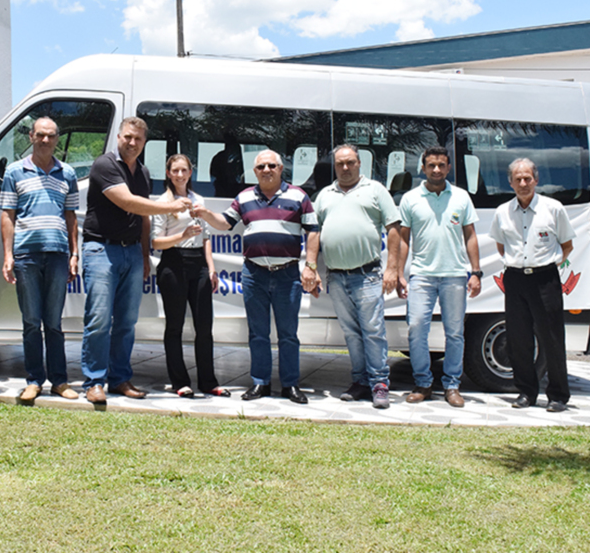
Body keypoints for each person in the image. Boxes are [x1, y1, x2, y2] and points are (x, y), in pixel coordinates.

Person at [79, 117, 191, 404]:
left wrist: (144, 255)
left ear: (144, 142)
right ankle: (94, 381)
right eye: (128, 137)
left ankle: (119, 379)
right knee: (99, 320)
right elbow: (127, 202)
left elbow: (143, 217)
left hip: (131, 253)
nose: (132, 143)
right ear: (119, 136)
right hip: (101, 250)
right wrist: (169, 205)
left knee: (127, 322)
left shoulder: (142, 172)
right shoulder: (104, 165)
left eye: (138, 139)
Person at [195, 150, 319, 405]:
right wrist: (206, 214)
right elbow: (225, 223)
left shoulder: (298, 196)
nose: (266, 170)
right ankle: (260, 382)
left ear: (281, 167)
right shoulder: (244, 197)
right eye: (261, 166)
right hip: (254, 274)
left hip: (287, 275)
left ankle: (290, 385)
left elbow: (313, 231)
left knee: (288, 334)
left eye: (271, 165)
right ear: (254, 171)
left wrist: (311, 265)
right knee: (258, 333)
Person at [310, 144, 401, 410]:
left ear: (360, 163)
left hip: (367, 274)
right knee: (351, 333)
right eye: (340, 164)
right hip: (337, 277)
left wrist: (393, 268)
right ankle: (360, 382)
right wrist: (311, 266)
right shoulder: (324, 195)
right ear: (334, 166)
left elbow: (393, 228)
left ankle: (379, 384)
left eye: (350, 162)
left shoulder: (375, 190)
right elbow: (315, 232)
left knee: (373, 332)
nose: (345, 168)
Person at [0, 117, 80, 402]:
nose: (46, 140)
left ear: (57, 139)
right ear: (31, 137)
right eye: (40, 135)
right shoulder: (14, 172)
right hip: (26, 255)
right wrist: (8, 255)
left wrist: (74, 254)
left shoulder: (67, 173)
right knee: (31, 321)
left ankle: (59, 381)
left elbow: (71, 217)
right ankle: (34, 380)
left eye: (51, 135)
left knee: (54, 322)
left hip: (58, 255)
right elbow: (7, 215)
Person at [396, 146, 482, 408]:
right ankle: (423, 382)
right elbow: (403, 239)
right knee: (416, 329)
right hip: (421, 275)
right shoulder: (410, 199)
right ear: (422, 168)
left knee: (455, 333)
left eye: (441, 165)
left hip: (455, 275)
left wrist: (476, 272)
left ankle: (452, 385)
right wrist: (399, 273)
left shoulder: (461, 197)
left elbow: (470, 235)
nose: (436, 170)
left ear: (448, 168)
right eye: (431, 165)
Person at [489, 158, 575, 413]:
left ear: (536, 180)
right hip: (515, 279)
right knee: (518, 339)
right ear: (510, 182)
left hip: (545, 279)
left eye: (528, 178)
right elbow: (500, 245)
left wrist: (550, 264)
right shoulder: (502, 212)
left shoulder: (554, 208)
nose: (523, 183)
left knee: (552, 339)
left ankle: (558, 395)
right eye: (518, 179)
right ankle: (526, 392)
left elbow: (567, 244)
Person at [151, 154, 230, 398]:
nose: (179, 175)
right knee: (174, 326)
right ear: (168, 173)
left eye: (184, 170)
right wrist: (182, 236)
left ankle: (208, 381)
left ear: (190, 173)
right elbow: (155, 242)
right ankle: (180, 382)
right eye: (174, 170)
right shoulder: (163, 202)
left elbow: (206, 237)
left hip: (199, 264)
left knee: (204, 326)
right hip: (173, 263)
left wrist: (211, 267)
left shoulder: (198, 199)